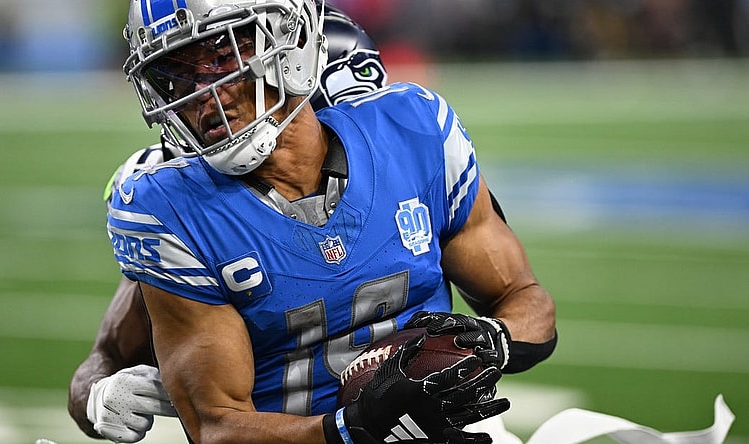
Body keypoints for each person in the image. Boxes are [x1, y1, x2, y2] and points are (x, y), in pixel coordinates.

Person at [105, 0, 556, 443]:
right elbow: (217, 425)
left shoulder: (415, 129)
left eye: (223, 55)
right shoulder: (165, 207)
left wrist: (491, 341)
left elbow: (525, 300)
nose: (205, 94)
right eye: (179, 74)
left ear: (293, 42)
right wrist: (355, 428)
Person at [68, 5, 390, 442]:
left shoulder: (402, 161)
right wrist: (97, 393)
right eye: (185, 75)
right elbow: (107, 354)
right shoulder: (176, 199)